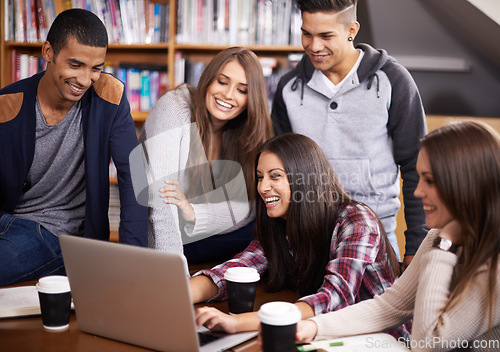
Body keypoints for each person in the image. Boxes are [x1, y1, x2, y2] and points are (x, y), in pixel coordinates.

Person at [296, 121, 500, 351]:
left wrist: (443, 246)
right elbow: (390, 306)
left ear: (466, 184)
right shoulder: (441, 235)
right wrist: (313, 326)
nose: (417, 191)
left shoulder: (461, 247)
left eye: (430, 180)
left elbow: (427, 344)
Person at [190, 133, 409, 338]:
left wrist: (237, 323)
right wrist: (178, 295)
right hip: (325, 335)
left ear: (305, 178)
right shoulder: (280, 222)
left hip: (385, 339)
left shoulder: (356, 221)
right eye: (259, 177)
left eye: (275, 176)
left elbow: (334, 299)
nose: (263, 187)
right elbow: (237, 269)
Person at [272, 0, 428, 269]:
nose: (314, 46)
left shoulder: (394, 81)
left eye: (325, 36)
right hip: (308, 241)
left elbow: (418, 166)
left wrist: (416, 246)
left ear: (351, 30)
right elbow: (279, 170)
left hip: (376, 240)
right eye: (306, 33)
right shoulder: (288, 88)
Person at [0, 9, 147, 287]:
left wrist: (134, 260)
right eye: (76, 65)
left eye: (96, 68)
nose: (85, 79)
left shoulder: (110, 98)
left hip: (57, 236)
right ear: (48, 52)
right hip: (8, 223)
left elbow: (135, 177)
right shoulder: (7, 103)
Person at [138, 47, 273, 263]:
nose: (228, 95)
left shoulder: (244, 131)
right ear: (208, 79)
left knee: (269, 223)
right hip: (160, 242)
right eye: (222, 81)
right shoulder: (175, 108)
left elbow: (253, 204)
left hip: (203, 233)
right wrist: (171, 273)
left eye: (242, 90)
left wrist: (195, 214)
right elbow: (160, 203)